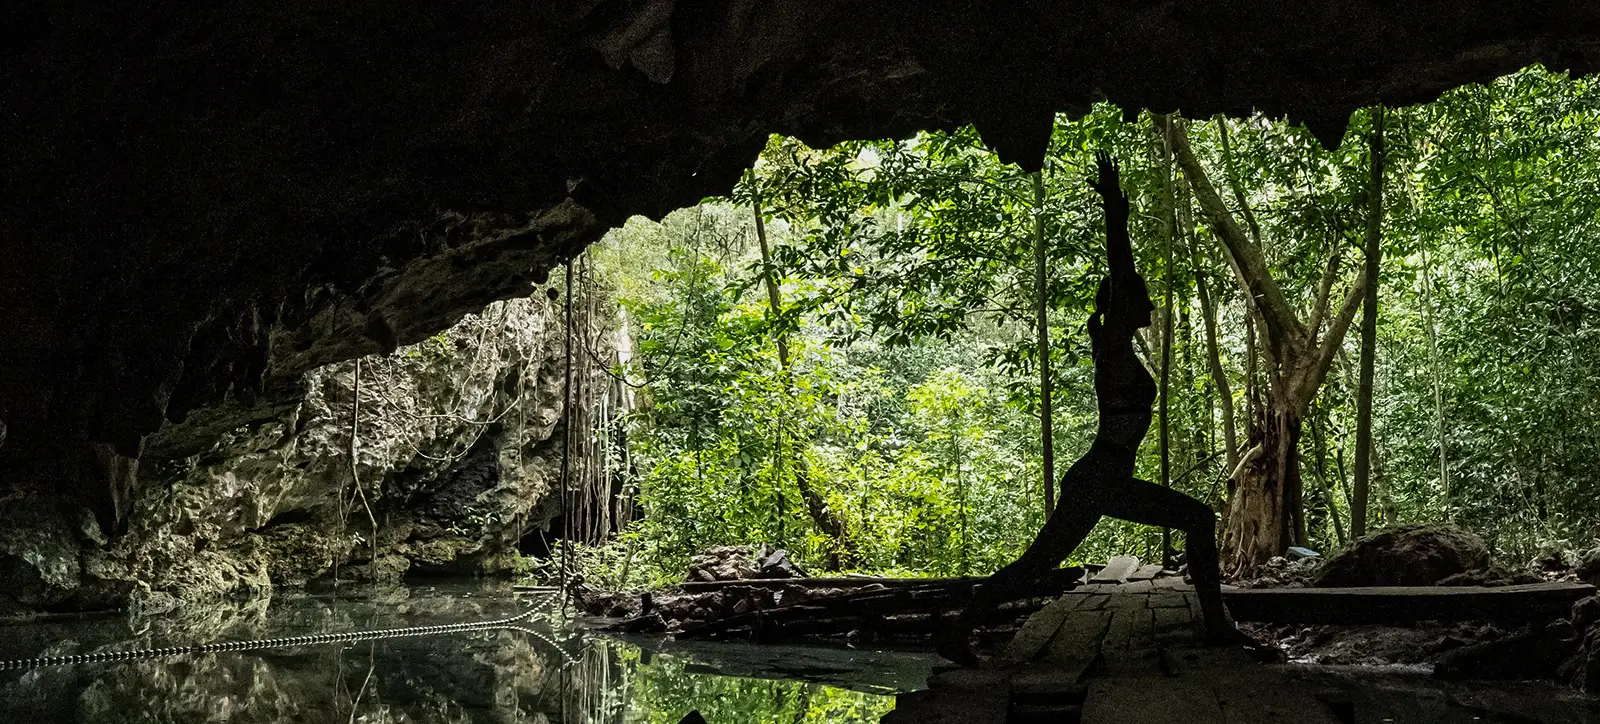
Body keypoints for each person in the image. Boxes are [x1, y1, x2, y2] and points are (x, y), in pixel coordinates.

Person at [936, 152, 1244, 666]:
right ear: (1124, 306)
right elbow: (1121, 274)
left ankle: (959, 624)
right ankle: (1216, 627)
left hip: (1100, 477)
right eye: (1142, 299)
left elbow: (1122, 285)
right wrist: (1115, 217)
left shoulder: (1114, 348)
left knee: (1038, 563)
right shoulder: (1116, 349)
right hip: (1101, 477)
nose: (1149, 305)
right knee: (1193, 519)